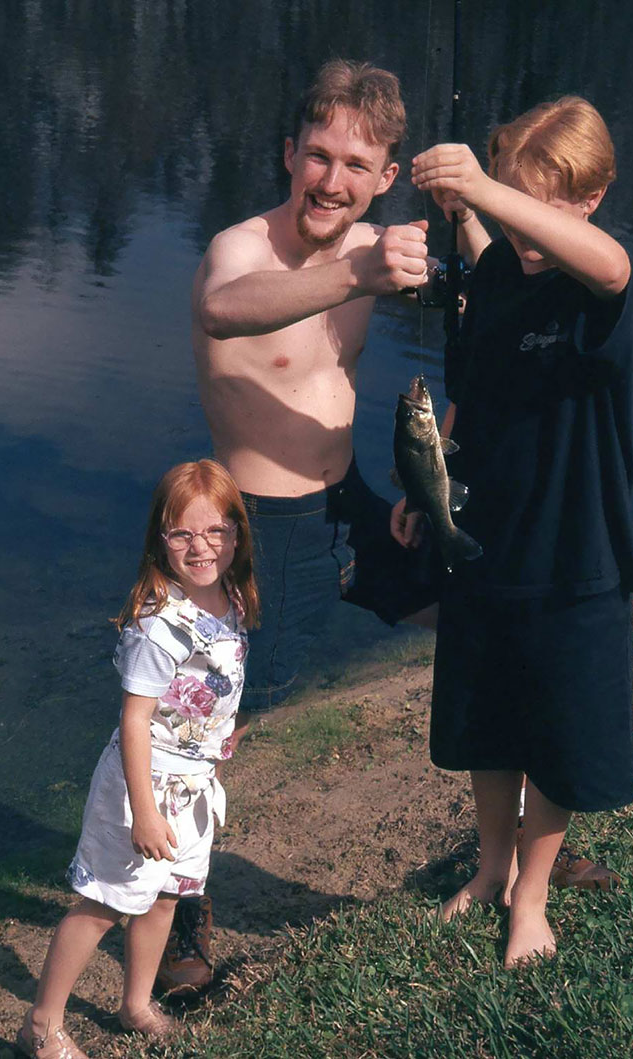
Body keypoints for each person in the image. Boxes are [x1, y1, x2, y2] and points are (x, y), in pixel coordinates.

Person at [404, 97, 633, 966]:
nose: (525, 228)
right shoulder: (498, 274)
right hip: (486, 542)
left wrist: (486, 192)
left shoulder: (616, 275)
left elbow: (614, 267)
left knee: (554, 730)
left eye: (544, 206)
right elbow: (475, 396)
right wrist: (427, 477)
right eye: (514, 201)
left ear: (594, 196)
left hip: (574, 553)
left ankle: (533, 895)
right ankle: (491, 865)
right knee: (490, 720)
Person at [191, 58, 464, 715]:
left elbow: (491, 295)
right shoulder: (240, 249)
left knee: (473, 606)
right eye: (318, 156)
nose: (332, 183)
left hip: (354, 502)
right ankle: (163, 814)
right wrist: (357, 276)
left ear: (387, 177)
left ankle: (509, 780)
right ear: (290, 154)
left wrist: (471, 212)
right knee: (245, 708)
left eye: (357, 166)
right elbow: (222, 308)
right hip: (265, 524)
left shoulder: (374, 246)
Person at [17, 460, 258, 1058]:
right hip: (143, 786)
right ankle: (42, 1025)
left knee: (167, 896)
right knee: (103, 902)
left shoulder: (231, 598)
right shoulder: (156, 628)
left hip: (193, 784)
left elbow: (213, 686)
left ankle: (135, 1003)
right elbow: (134, 721)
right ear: (160, 538)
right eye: (182, 534)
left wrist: (220, 741)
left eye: (216, 531)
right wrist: (145, 813)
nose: (200, 546)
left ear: (236, 534)